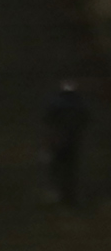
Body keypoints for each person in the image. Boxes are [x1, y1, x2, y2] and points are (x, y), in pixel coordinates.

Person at [46, 80, 89, 209]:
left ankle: (63, 195)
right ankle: (67, 195)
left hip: (62, 140)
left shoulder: (58, 103)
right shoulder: (78, 104)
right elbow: (85, 120)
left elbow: (49, 120)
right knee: (67, 169)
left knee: (61, 168)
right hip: (69, 140)